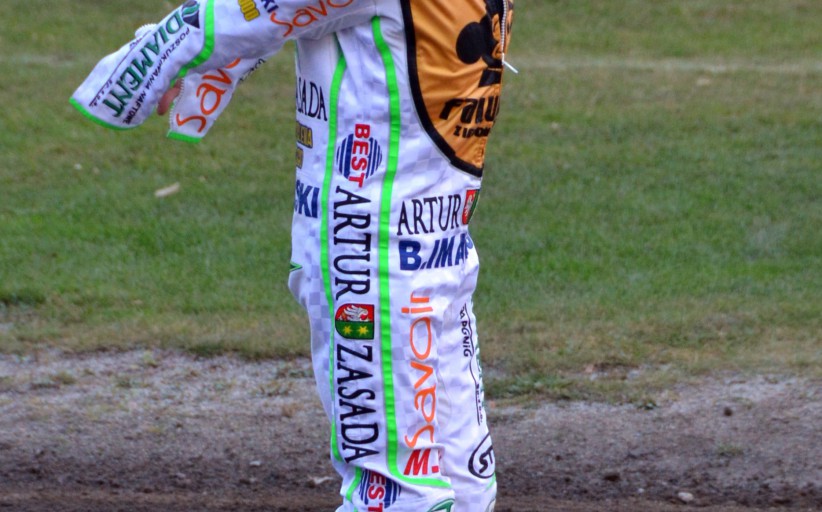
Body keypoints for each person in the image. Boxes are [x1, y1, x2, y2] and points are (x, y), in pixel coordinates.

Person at [71, 1, 514, 510]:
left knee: (408, 491)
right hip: (422, 252)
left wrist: (144, 68)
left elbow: (257, 12)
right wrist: (185, 67)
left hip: (378, 256)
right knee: (449, 483)